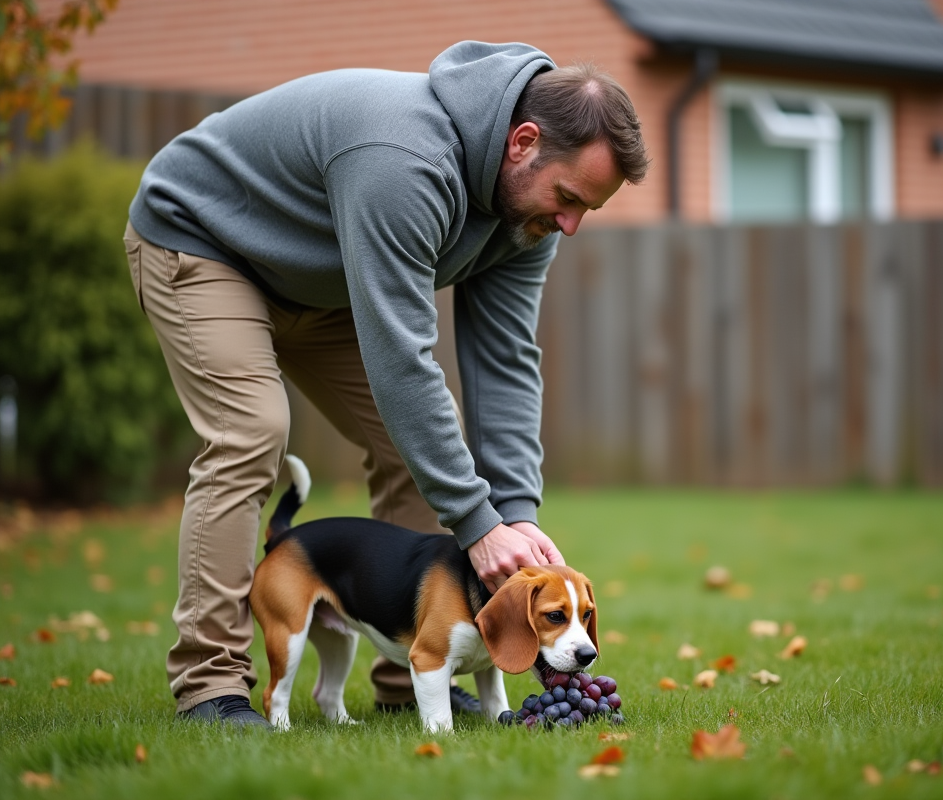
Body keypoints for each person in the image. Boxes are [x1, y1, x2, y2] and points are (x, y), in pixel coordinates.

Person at [123, 40, 648, 728]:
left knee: (421, 451)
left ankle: (411, 671)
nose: (571, 225)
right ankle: (211, 685)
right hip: (205, 242)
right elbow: (402, 357)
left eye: (588, 210)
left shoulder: (529, 213)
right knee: (252, 431)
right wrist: (476, 524)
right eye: (570, 198)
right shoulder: (405, 160)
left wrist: (514, 512)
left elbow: (506, 358)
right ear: (523, 143)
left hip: (320, 284)